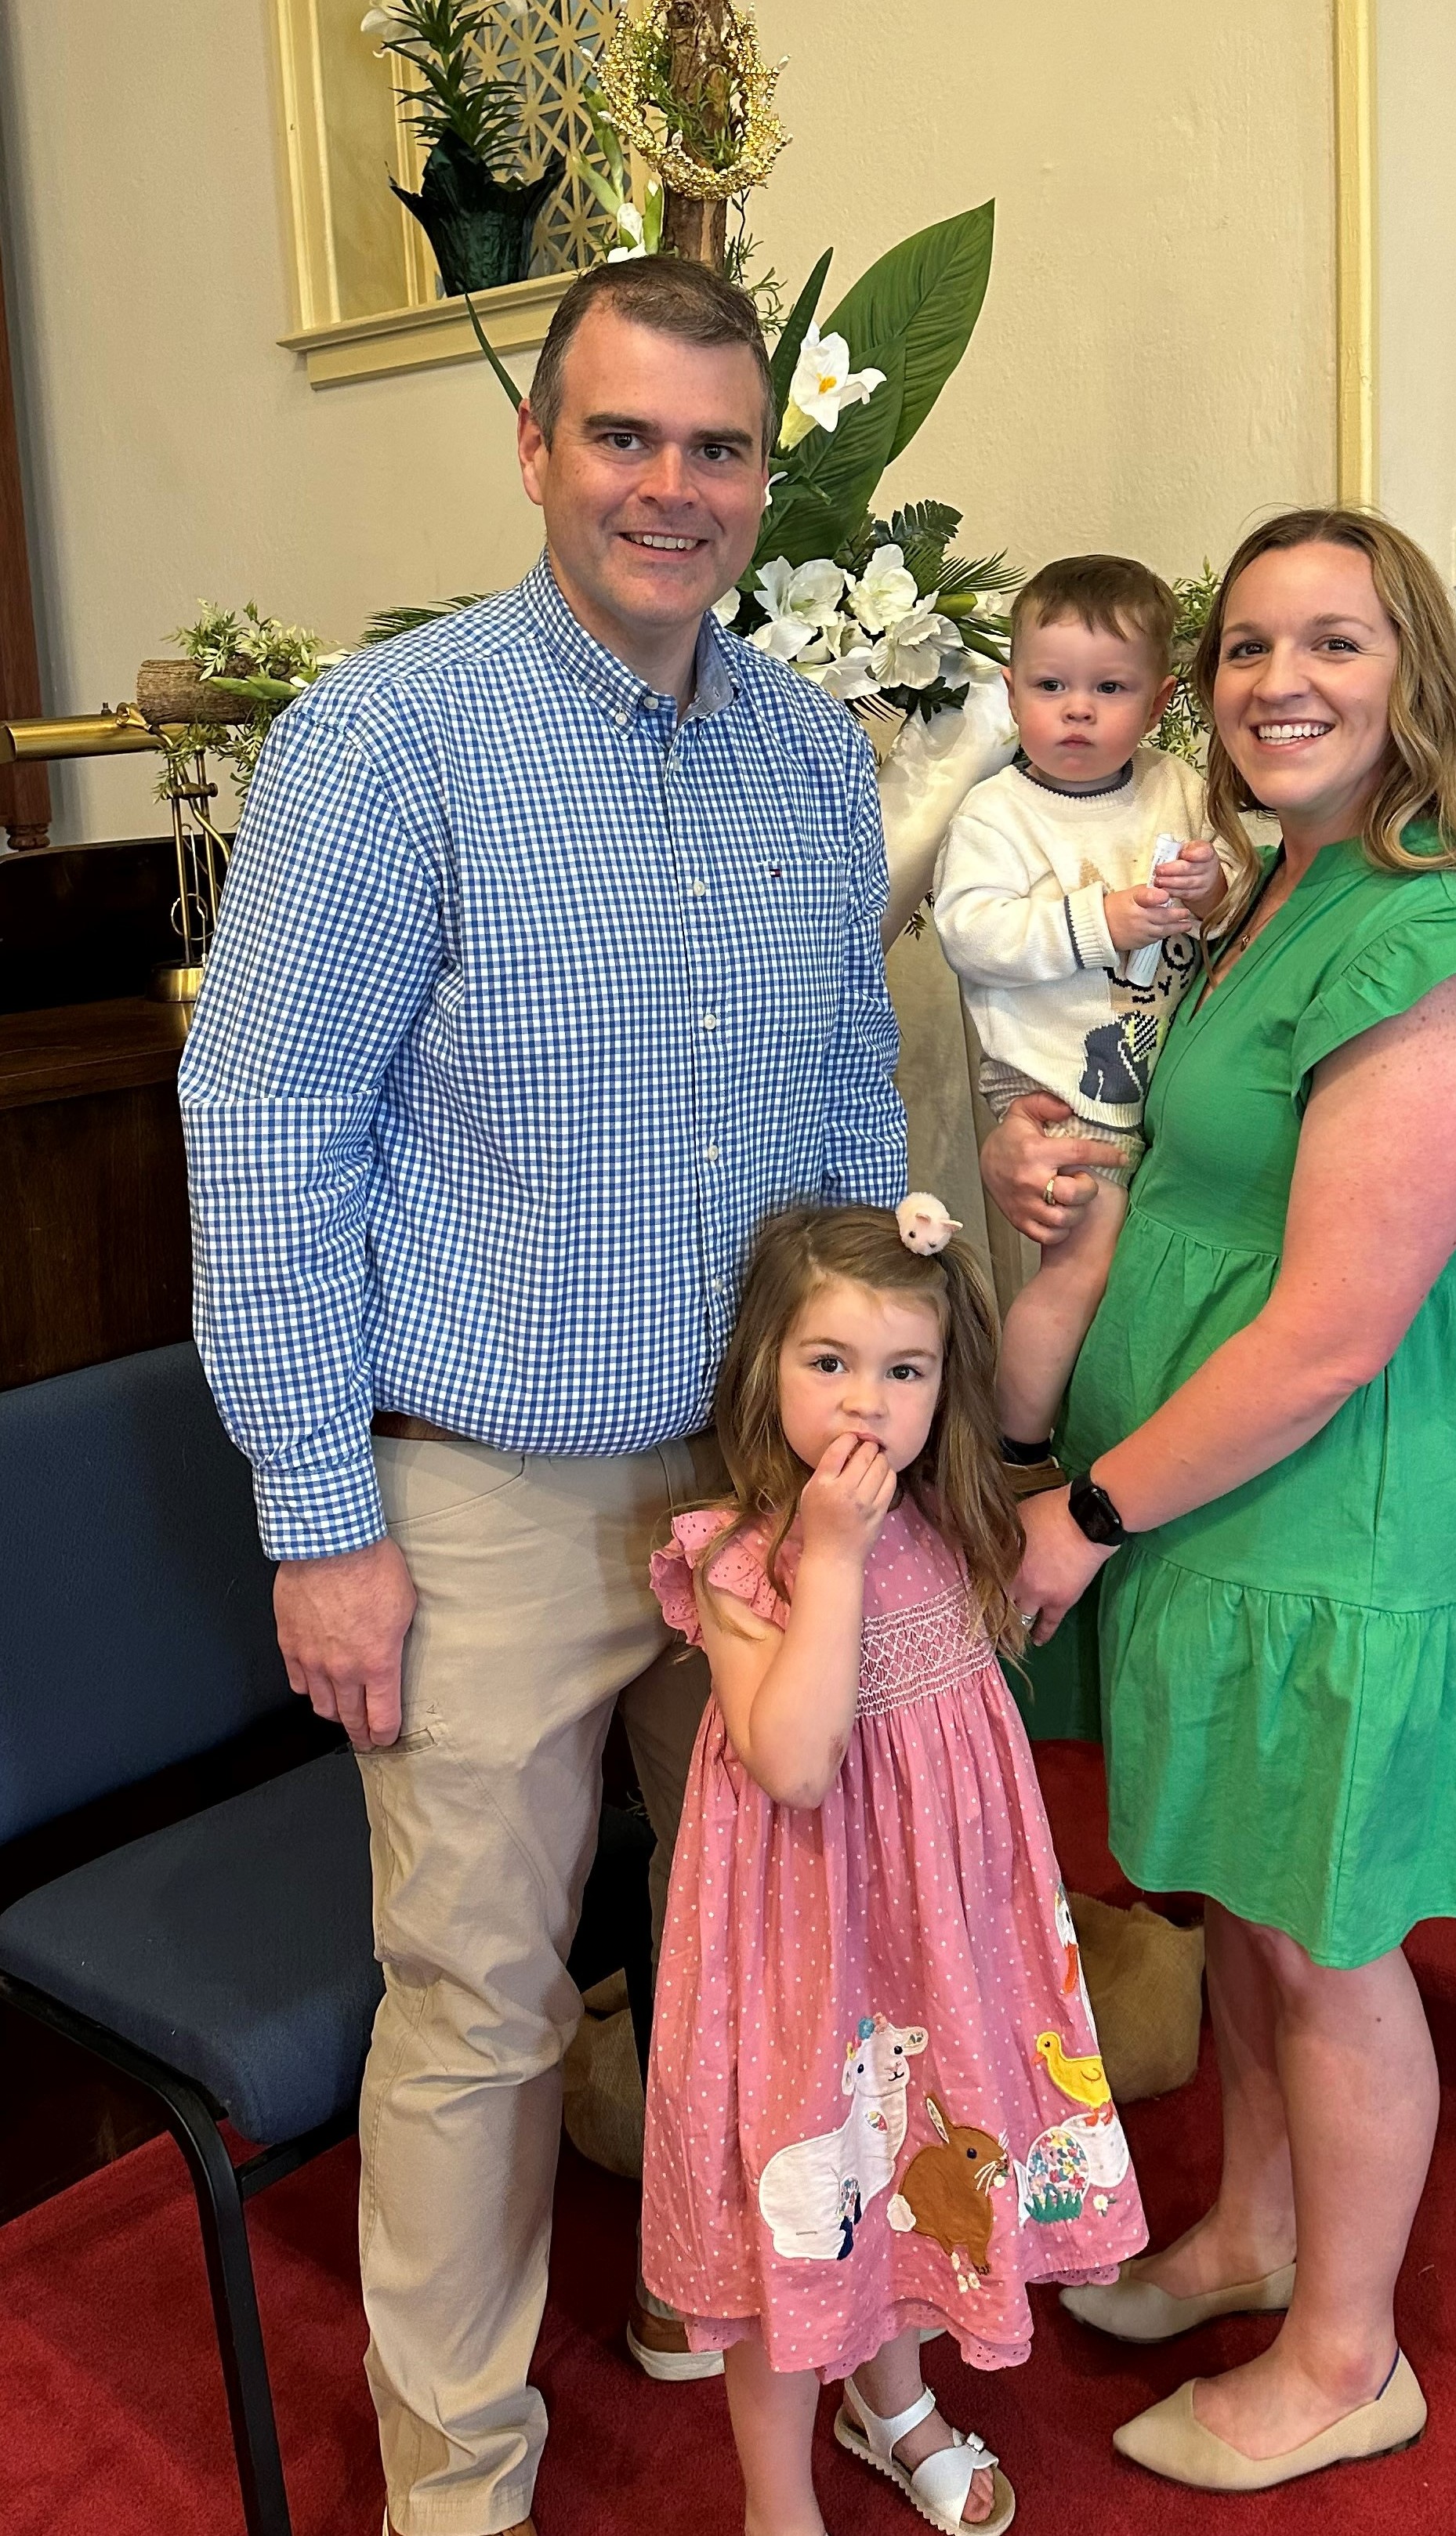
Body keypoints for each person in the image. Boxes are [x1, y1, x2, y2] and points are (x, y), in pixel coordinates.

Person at [178, 255, 907, 2536]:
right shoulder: (388, 744)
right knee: (483, 2008)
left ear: (762, 479)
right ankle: (458, 2486)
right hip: (479, 1486)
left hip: (756, 1479)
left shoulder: (805, 747)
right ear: (535, 450)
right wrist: (318, 1503)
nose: (667, 488)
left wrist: (875, 1424)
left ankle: (776, 2326)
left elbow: (852, 1090)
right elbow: (266, 1116)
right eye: (623, 437)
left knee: (793, 1955)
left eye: (713, 448)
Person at [987, 508, 1456, 2494]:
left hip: (1316, 1505)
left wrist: (1080, 1507)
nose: (1278, 681)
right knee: (1254, 1911)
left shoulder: (1434, 939)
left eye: (1330, 643)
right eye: (1245, 648)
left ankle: (1347, 2354)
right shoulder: (1268, 892)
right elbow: (1214, 1182)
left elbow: (1333, 1331)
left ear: (1409, 673)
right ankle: (1254, 2237)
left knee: (1326, 1939)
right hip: (1214, 1496)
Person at [641, 1201, 1146, 2536]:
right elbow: (797, 1764)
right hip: (804, 1953)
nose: (867, 1401)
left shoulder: (953, 1514)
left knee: (912, 2171)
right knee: (802, 2206)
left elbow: (1027, 1355)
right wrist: (836, 1556)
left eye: (902, 1370)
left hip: (936, 1935)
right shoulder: (745, 1565)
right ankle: (775, 2495)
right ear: (764, 1372)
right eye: (828, 1363)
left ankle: (895, 2400)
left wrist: (1076, 1241)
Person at [932, 556, 1244, 1465]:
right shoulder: (997, 810)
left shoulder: (1177, 787)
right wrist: (1099, 919)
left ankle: (1128, 1431)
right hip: (1051, 1077)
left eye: (1109, 688)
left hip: (1157, 1062)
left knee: (1153, 1264)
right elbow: (971, 932)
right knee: (1086, 1256)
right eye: (1050, 685)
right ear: (1011, 689)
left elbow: (1238, 899)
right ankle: (1014, 1448)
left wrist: (1212, 882)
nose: (1077, 709)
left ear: (1158, 702)